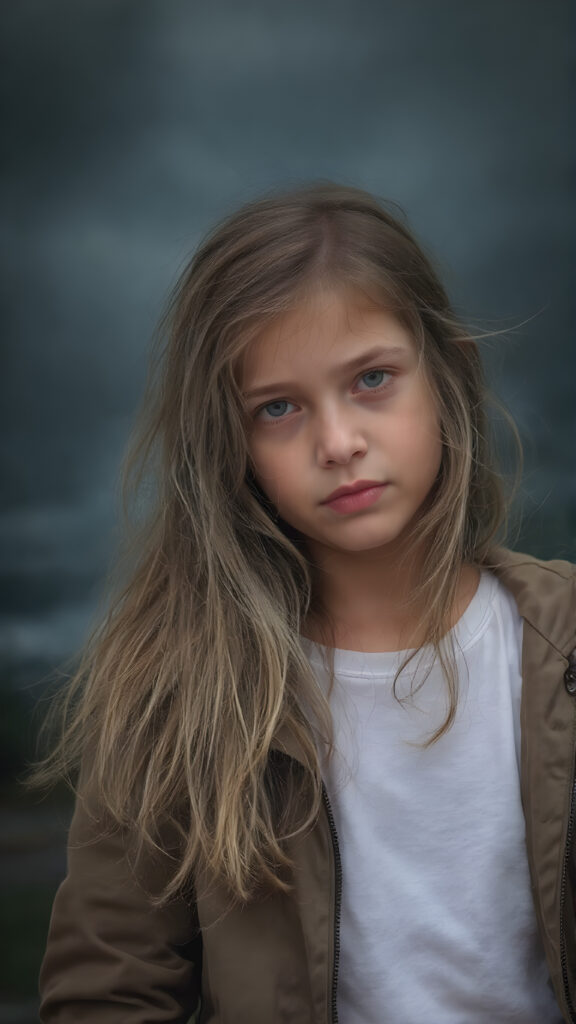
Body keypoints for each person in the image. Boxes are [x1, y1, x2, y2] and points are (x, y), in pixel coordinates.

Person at [36, 182, 576, 1023]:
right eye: (278, 408)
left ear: (447, 375)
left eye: (371, 379)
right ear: (232, 443)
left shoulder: (562, 642)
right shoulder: (175, 693)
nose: (337, 442)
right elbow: (108, 993)